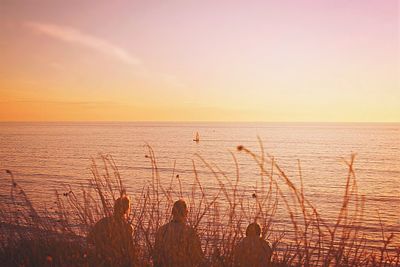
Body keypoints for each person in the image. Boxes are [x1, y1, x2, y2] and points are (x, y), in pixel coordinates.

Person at [153, 199, 205, 267]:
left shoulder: (162, 230)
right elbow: (198, 257)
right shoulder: (190, 232)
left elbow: (156, 256)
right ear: (186, 213)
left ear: (172, 212)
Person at [87, 195, 135, 267]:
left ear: (114, 207)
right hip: (118, 262)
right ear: (127, 209)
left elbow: (90, 239)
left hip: (99, 259)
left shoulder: (103, 222)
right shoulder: (127, 228)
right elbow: (131, 250)